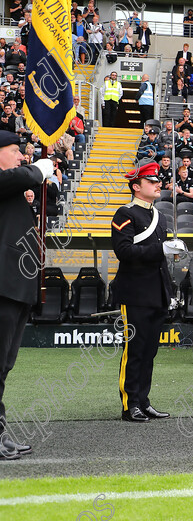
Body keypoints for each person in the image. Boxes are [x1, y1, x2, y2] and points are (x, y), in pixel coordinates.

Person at [112, 162, 184, 422]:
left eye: (158, 182)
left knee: (150, 351)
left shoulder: (160, 216)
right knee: (135, 349)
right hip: (135, 292)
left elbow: (159, 259)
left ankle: (143, 400)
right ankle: (129, 403)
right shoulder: (125, 214)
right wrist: (161, 250)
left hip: (157, 291)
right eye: (151, 182)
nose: (158, 185)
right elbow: (124, 252)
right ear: (136, 186)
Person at [0, 131, 55, 458]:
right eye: (14, 151)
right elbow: (22, 175)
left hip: (15, 287)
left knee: (4, 365)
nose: (22, 156)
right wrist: (37, 170)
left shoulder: (13, 187)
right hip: (4, 286)